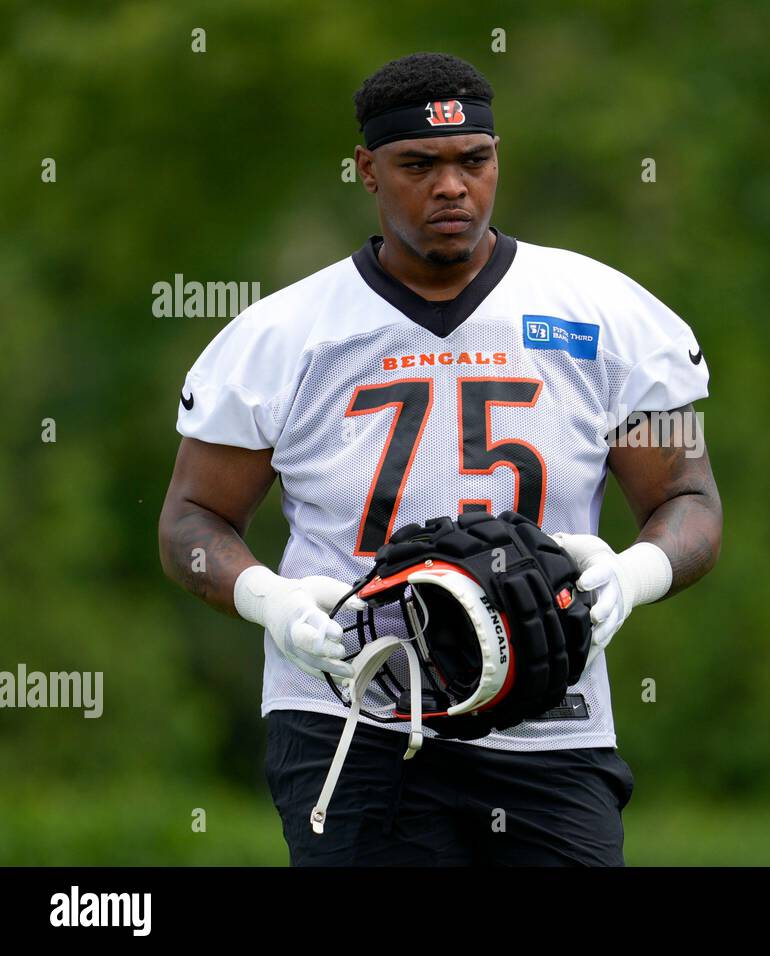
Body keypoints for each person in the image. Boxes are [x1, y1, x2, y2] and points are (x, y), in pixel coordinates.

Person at [157, 52, 722, 866]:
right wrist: (269, 601)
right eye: (419, 165)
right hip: (352, 710)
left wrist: (635, 576)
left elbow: (691, 501)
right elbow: (190, 518)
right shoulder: (284, 335)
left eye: (474, 161)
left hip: (547, 712)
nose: (452, 187)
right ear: (367, 171)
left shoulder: (607, 315)